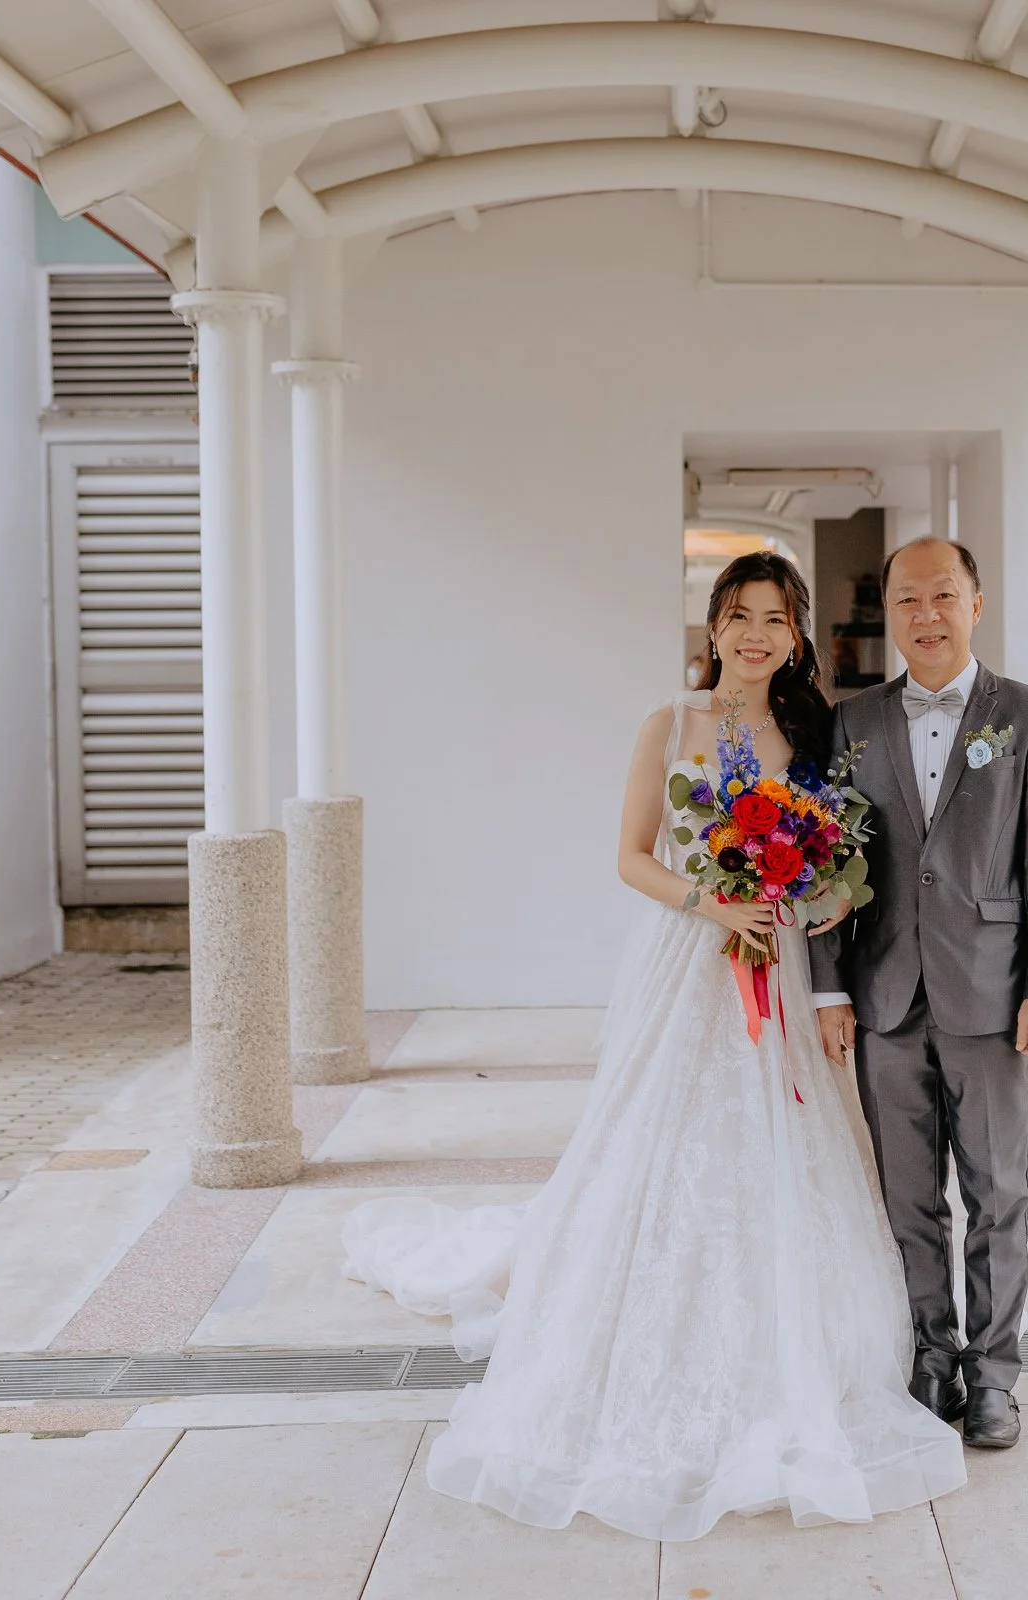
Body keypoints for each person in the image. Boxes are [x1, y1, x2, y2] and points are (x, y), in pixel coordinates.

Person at [341, 551, 966, 1541]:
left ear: (796, 635)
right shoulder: (668, 724)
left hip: (777, 963)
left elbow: (846, 852)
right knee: (659, 1137)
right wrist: (713, 901)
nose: (756, 635)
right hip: (689, 960)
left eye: (774, 619)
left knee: (789, 1140)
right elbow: (631, 856)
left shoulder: (812, 729)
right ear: (712, 627)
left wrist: (815, 896)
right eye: (739, 616)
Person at [811, 536, 1028, 1452]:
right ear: (888, 612)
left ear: (975, 603)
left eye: (941, 596)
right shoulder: (851, 721)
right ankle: (931, 1357)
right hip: (882, 993)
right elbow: (825, 862)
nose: (925, 615)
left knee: (997, 1192)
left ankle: (994, 1375)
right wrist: (827, 988)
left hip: (992, 993)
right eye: (906, 600)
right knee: (907, 1196)